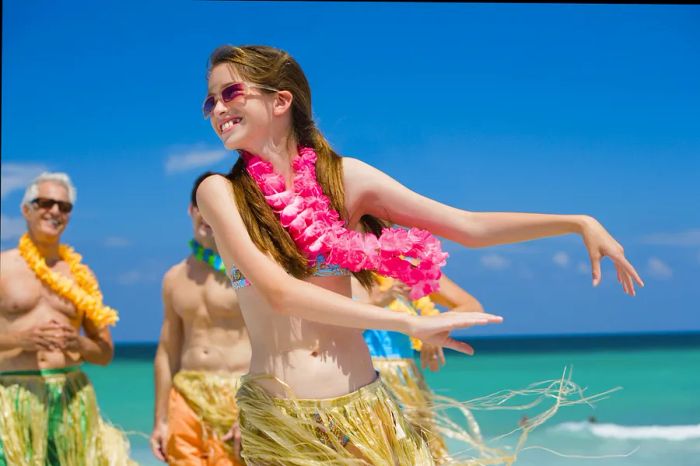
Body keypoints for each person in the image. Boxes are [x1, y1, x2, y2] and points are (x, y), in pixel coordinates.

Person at [195, 44, 643, 465]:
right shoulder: (221, 193)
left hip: (365, 411)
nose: (217, 109)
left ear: (281, 101)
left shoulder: (346, 179)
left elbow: (467, 226)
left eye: (231, 92)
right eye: (209, 101)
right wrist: (410, 323)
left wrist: (576, 222)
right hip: (281, 421)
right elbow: (277, 292)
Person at [0, 172, 133, 465]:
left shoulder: (81, 276)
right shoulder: (3, 267)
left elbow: (104, 354)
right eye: (45, 202)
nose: (55, 211)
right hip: (12, 399)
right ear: (26, 210)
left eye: (64, 206)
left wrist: (78, 343)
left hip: (71, 400)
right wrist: (19, 339)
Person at [151, 172, 252, 465]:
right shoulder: (174, 277)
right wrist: (160, 419)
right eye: (200, 205)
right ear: (190, 210)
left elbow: (273, 342)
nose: (207, 215)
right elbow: (167, 350)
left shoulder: (250, 273)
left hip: (237, 394)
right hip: (186, 397)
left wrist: (257, 405)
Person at [353, 273, 485, 463]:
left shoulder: (410, 267)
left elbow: (472, 306)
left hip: (404, 379)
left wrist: (435, 326)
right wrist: (377, 304)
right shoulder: (342, 264)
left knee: (418, 451)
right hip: (362, 377)